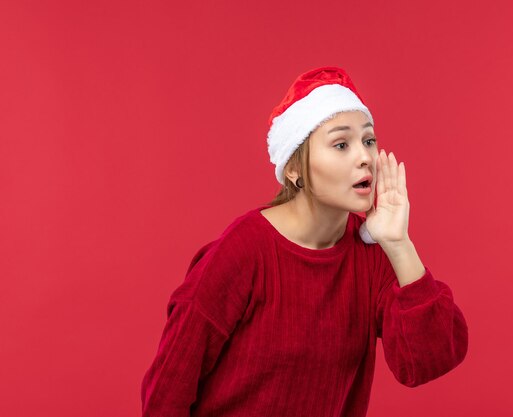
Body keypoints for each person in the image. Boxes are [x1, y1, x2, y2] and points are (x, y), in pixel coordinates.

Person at [140, 66, 469, 417]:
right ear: (294, 168)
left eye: (368, 140)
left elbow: (429, 360)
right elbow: (167, 391)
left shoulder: (371, 255)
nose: (365, 157)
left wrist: (400, 244)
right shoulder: (243, 252)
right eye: (341, 144)